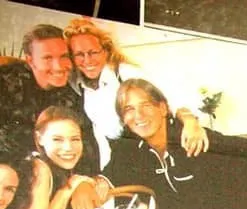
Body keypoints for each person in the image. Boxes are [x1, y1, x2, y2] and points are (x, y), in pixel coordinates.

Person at [100, 78, 247, 209]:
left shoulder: (199, 140)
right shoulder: (133, 151)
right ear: (123, 118)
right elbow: (106, 178)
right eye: (129, 109)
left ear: (163, 108)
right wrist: (87, 184)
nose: (139, 115)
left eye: (146, 105)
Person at [63, 18, 208, 168]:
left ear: (105, 51)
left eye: (93, 52)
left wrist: (190, 122)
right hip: (125, 153)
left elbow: (170, 99)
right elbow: (101, 135)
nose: (87, 60)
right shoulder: (79, 85)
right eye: (79, 54)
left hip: (155, 147)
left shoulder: (125, 73)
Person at [0, 24, 98, 171]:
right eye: (47, 58)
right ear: (30, 61)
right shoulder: (6, 81)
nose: (58, 66)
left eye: (64, 56)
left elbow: (87, 144)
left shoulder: (75, 92)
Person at [14, 106, 95, 209]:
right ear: (39, 139)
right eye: (57, 139)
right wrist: (67, 190)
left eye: (75, 139)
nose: (68, 148)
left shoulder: (59, 167)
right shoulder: (39, 169)